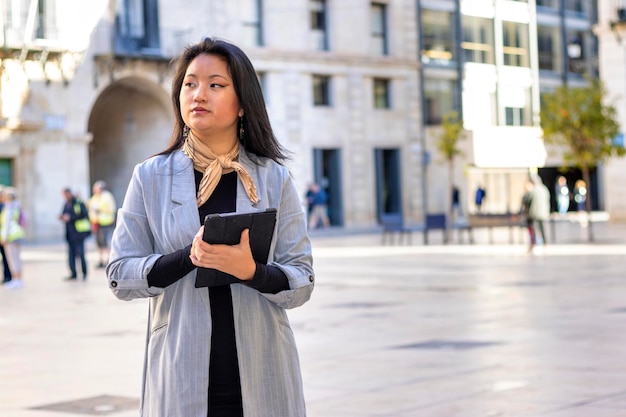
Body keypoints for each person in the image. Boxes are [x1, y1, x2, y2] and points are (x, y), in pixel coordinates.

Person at [106, 37, 314, 416]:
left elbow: (302, 278)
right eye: (190, 83)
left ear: (242, 105)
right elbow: (120, 274)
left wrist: (251, 271)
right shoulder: (150, 177)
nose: (199, 93)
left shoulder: (273, 179)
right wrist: (190, 257)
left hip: (263, 373)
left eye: (215, 84)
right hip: (179, 372)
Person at [60, 188, 91, 281]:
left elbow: (84, 214)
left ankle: (84, 273)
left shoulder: (78, 202)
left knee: (80, 254)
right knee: (71, 255)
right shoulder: (66, 203)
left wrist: (70, 218)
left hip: (78, 234)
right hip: (70, 234)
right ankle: (73, 273)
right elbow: (64, 213)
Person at [88, 180, 117, 268]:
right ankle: (100, 260)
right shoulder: (95, 197)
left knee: (104, 241)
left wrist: (100, 210)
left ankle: (107, 259)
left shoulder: (107, 196)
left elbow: (112, 209)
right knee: (98, 242)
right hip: (96, 223)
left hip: (105, 223)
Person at [0, 187, 25, 289]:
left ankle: (16, 279)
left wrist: (4, 238)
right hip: (18, 235)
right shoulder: (17, 206)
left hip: (11, 237)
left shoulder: (8, 208)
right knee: (17, 258)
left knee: (13, 259)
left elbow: (6, 224)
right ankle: (18, 279)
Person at [527, 177, 551, 250]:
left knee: (534, 228)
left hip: (534, 212)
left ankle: (534, 244)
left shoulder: (533, 190)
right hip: (544, 212)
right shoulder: (545, 189)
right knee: (543, 228)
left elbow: (527, 199)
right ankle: (545, 243)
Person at [0, 186, 12, 284]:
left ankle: (8, 276)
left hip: (4, 237)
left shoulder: (6, 207)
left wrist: (4, 237)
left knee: (6, 257)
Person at [520, 179, 535, 252]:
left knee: (534, 229)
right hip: (528, 215)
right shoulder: (526, 194)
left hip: (532, 214)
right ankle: (532, 243)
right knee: (530, 230)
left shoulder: (532, 194)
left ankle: (534, 243)